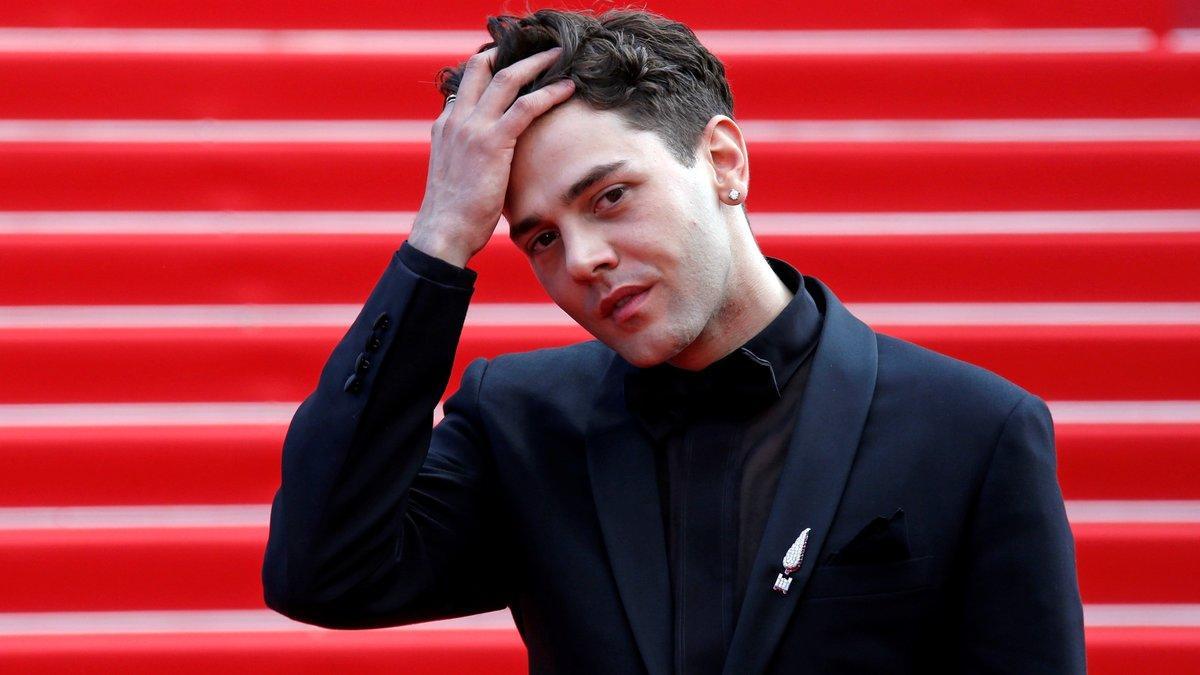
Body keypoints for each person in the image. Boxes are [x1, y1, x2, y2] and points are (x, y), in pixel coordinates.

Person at [262, 8, 1086, 674]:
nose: (582, 258)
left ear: (723, 160)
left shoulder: (973, 429)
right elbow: (321, 570)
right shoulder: (518, 424)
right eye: (540, 238)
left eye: (612, 196)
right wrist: (441, 236)